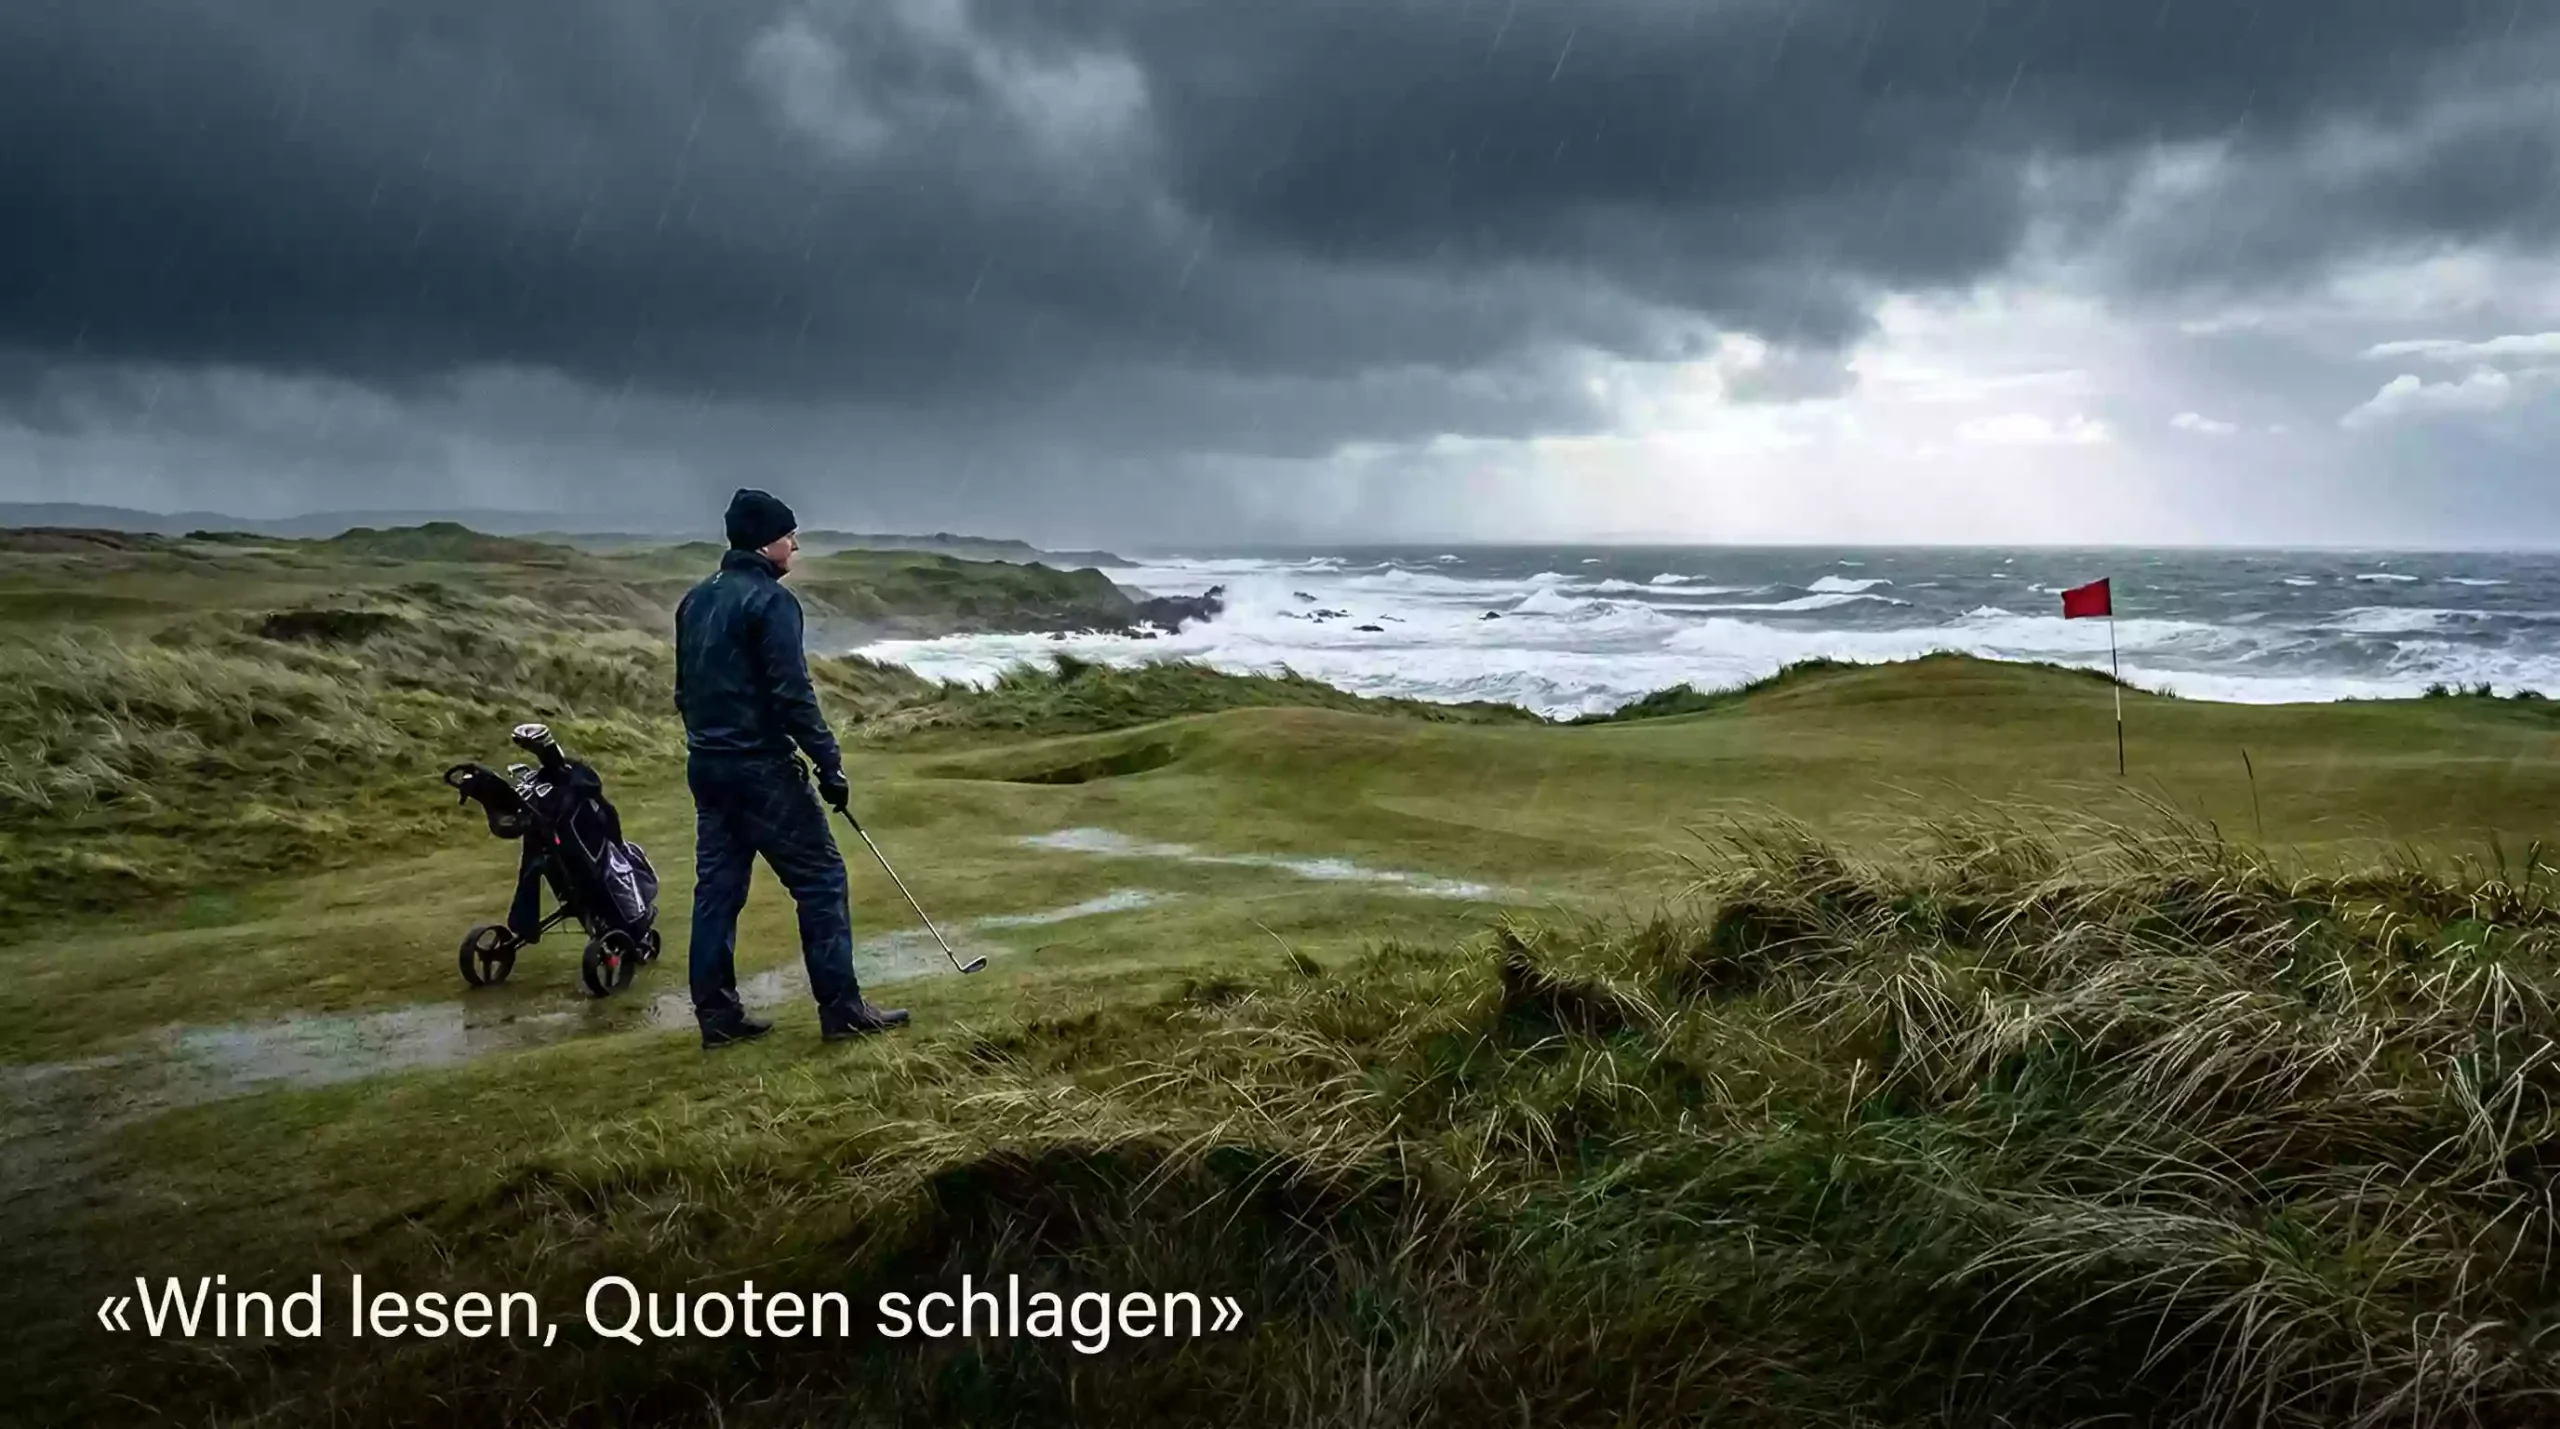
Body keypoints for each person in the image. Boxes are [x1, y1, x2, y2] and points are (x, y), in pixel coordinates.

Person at [673, 488, 910, 1048]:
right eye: (789, 535)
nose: (796, 544)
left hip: (707, 766)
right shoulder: (770, 602)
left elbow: (684, 692)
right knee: (821, 880)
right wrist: (830, 763)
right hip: (761, 769)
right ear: (765, 540)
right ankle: (842, 1009)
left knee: (718, 890)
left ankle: (718, 1016)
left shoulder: (694, 599)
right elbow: (793, 695)